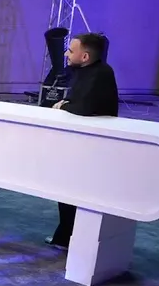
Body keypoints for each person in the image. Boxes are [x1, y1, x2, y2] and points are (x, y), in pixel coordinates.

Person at [47, 32, 118, 248]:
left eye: (70, 50)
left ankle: (71, 239)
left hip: (91, 147)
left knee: (77, 194)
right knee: (67, 192)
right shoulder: (84, 72)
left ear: (85, 56)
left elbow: (85, 107)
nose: (66, 54)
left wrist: (64, 105)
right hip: (79, 144)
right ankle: (64, 237)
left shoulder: (101, 74)